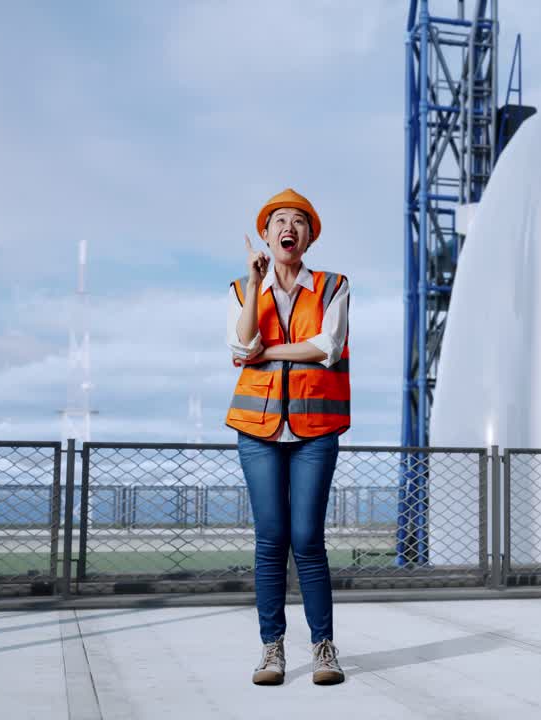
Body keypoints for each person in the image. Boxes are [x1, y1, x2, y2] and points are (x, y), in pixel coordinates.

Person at [224, 188, 351, 686]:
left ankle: (323, 648)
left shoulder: (333, 285)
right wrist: (256, 290)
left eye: (299, 221)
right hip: (256, 430)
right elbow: (241, 344)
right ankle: (271, 649)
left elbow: (328, 346)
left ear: (309, 236)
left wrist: (267, 352)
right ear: (266, 234)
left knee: (307, 540)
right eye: (280, 220)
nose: (288, 228)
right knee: (271, 539)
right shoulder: (240, 288)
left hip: (315, 428)